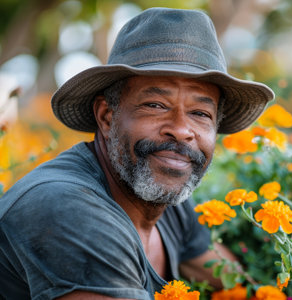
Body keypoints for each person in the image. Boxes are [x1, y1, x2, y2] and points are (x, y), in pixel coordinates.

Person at [0, 7, 274, 300]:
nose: (181, 130)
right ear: (106, 116)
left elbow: (235, 280)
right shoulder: (67, 209)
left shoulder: (165, 202)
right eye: (155, 105)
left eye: (199, 113)